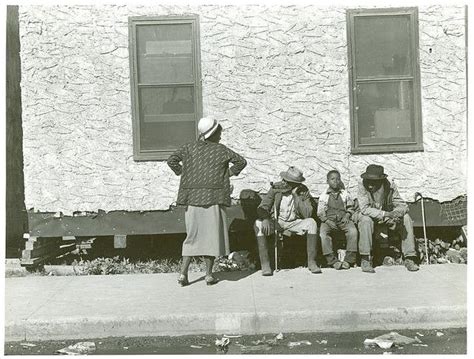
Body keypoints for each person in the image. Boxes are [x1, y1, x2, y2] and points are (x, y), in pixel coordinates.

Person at [167, 117, 247, 286]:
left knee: (192, 237)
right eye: (219, 132)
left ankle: (183, 275)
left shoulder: (188, 148)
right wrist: (228, 174)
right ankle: (209, 275)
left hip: (192, 199)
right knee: (211, 237)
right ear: (214, 133)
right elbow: (241, 161)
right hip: (214, 199)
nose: (220, 135)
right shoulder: (221, 150)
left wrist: (184, 173)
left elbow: (171, 160)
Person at [254, 166, 321, 276]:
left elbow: (307, 214)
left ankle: (312, 262)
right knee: (258, 223)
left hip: (294, 222)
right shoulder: (276, 188)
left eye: (291, 182)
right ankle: (265, 265)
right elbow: (263, 207)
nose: (285, 183)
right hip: (277, 222)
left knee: (312, 223)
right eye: (285, 181)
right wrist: (265, 218)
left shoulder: (303, 191)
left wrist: (296, 196)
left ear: (297, 184)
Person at [354, 164, 419, 273]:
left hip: (386, 215)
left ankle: (409, 258)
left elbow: (402, 205)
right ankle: (365, 259)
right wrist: (386, 214)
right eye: (368, 181)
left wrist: (396, 213)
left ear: (381, 181)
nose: (370, 185)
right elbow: (364, 209)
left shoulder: (390, 186)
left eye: (374, 182)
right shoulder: (362, 185)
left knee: (406, 218)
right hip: (367, 215)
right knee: (365, 220)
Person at [317, 170, 358, 270]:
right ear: (327, 181)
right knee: (323, 234)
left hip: (343, 219)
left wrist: (347, 215)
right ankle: (332, 260)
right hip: (328, 220)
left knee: (353, 231)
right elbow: (320, 212)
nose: (335, 181)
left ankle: (349, 260)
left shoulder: (345, 194)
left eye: (338, 179)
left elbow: (350, 207)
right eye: (332, 179)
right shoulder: (324, 196)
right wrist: (327, 221)